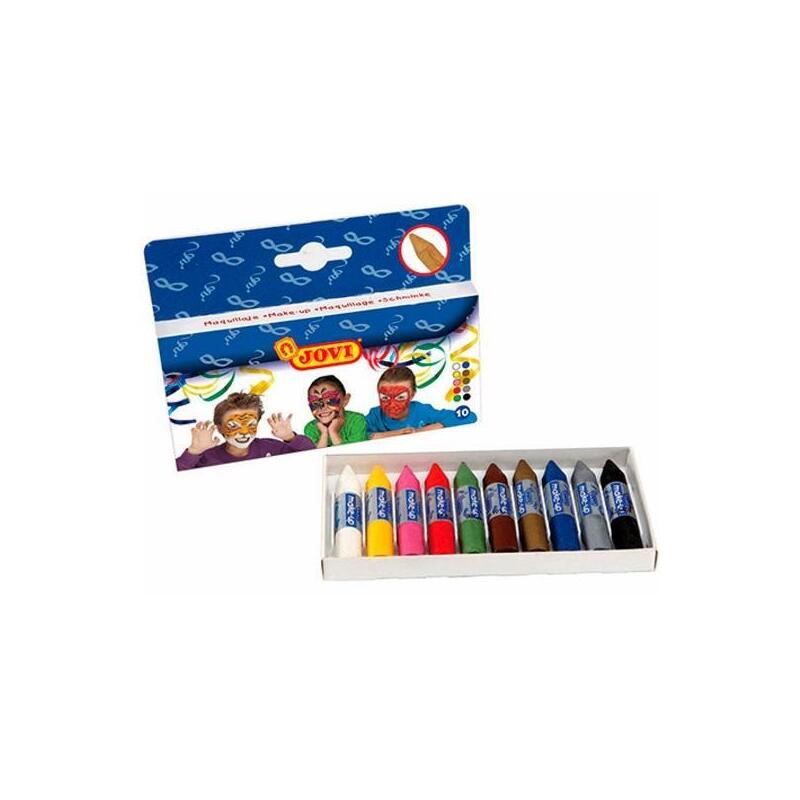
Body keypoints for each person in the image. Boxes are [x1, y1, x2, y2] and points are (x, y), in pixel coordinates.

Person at [176, 391, 313, 470]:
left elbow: (312, 456)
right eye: (234, 425)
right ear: (219, 427)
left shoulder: (272, 447)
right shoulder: (207, 457)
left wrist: (290, 437)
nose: (244, 432)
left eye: (251, 424)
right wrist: (194, 451)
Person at [365, 366, 476, 439]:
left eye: (400, 397)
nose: (392, 404)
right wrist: (399, 433)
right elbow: (357, 435)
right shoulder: (375, 415)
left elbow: (468, 416)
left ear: (412, 394)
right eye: (385, 398)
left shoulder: (422, 411)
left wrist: (419, 431)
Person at [303, 375, 368, 448]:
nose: (322, 408)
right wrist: (324, 434)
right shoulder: (310, 428)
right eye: (315, 403)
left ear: (345, 400)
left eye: (330, 400)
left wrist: (333, 432)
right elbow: (315, 454)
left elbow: (354, 453)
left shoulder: (356, 420)